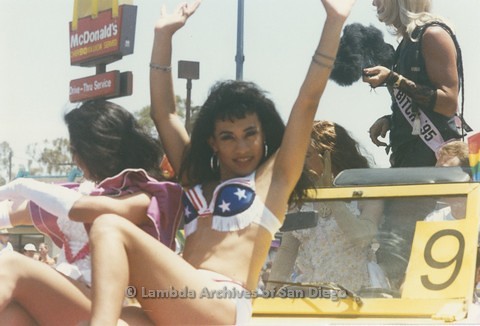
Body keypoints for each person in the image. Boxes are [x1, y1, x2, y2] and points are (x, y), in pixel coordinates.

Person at [85, 0, 357, 324]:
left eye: (250, 133)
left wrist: (334, 23)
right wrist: (163, 36)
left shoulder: (274, 179)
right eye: (228, 136)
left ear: (264, 135)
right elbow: (165, 114)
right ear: (212, 143)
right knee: (20, 283)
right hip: (176, 302)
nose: (241, 147)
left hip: (223, 305)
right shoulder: (195, 179)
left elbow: (307, 102)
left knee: (108, 225)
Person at [0, 100, 183, 325]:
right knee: (11, 314)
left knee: (11, 265)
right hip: (66, 299)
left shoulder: (144, 196)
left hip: (105, 309)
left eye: (77, 150)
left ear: (98, 149)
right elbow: (11, 213)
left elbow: (84, 209)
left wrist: (21, 186)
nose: (75, 159)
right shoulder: (76, 193)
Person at [268, 121, 386, 293]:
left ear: (330, 156)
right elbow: (287, 250)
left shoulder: (366, 194)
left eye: (307, 156)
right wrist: (270, 293)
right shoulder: (300, 200)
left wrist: (331, 196)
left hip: (356, 296)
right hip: (313, 298)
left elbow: (363, 238)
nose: (301, 164)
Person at [363, 0, 468, 167]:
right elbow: (422, 105)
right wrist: (391, 120)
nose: (374, 3)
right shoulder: (407, 42)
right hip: (408, 160)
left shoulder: (433, 34)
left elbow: (448, 103)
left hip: (437, 163)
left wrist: (393, 79)